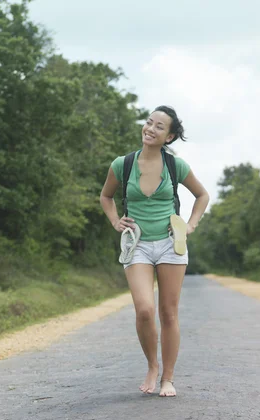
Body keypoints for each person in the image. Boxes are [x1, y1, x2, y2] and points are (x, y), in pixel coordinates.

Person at [100, 106, 209, 397]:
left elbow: (202, 195)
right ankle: (152, 365)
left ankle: (168, 378)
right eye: (149, 122)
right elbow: (106, 196)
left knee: (168, 312)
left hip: (171, 244)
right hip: (137, 244)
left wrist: (190, 225)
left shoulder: (177, 166)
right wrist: (115, 220)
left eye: (159, 127)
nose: (150, 128)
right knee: (145, 309)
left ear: (169, 136)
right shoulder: (122, 164)